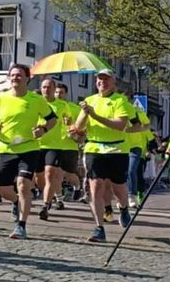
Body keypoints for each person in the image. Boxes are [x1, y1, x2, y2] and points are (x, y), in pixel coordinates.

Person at [0, 64, 56, 240]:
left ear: (27, 78)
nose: (16, 78)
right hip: (5, 148)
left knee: (23, 184)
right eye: (13, 75)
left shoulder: (36, 100)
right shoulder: (1, 98)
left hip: (29, 148)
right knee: (1, 187)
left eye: (19, 75)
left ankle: (21, 226)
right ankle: (15, 201)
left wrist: (43, 130)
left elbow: (52, 120)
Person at [70, 68, 138, 241]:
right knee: (96, 187)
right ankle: (99, 227)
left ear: (113, 82)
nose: (102, 82)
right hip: (94, 149)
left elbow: (119, 125)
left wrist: (95, 114)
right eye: (99, 79)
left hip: (117, 150)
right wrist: (84, 115)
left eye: (106, 79)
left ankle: (123, 208)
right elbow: (79, 127)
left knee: (118, 187)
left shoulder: (120, 101)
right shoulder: (89, 100)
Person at [36, 77, 80, 221]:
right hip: (36, 144)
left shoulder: (63, 105)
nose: (46, 90)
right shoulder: (34, 103)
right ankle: (51, 196)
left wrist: (69, 123)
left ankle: (45, 205)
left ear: (54, 89)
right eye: (44, 87)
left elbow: (70, 121)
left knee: (51, 174)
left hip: (55, 145)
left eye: (49, 87)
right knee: (39, 178)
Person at [125, 104, 152, 208]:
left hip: (136, 148)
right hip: (121, 146)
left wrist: (149, 150)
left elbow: (148, 127)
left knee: (133, 171)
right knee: (123, 173)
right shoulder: (114, 109)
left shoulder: (138, 112)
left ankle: (133, 195)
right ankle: (122, 196)